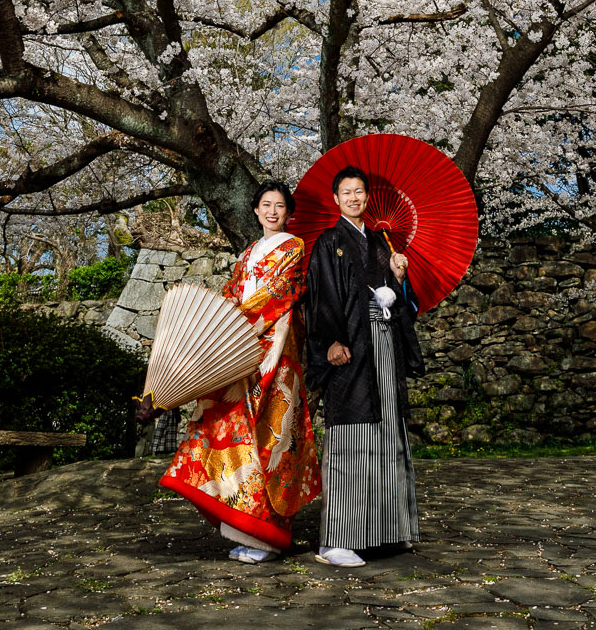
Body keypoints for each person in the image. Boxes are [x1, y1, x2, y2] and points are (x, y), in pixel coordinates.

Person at [154, 181, 321, 562]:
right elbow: (233, 294)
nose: (273, 212)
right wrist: (217, 334)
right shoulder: (247, 253)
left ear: (289, 212)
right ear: (257, 210)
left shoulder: (293, 247)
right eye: (266, 205)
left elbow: (277, 296)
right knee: (227, 423)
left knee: (268, 435)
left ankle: (267, 535)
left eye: (280, 206)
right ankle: (240, 522)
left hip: (273, 347)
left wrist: (239, 329)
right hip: (240, 346)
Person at [302, 165, 422, 568]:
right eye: (346, 193)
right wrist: (332, 341)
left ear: (367, 198)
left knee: (388, 431)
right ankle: (336, 538)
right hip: (351, 348)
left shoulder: (382, 242)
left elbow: (407, 302)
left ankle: (387, 531)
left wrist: (399, 281)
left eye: (359, 192)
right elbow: (319, 299)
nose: (354, 198)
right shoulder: (328, 242)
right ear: (336, 199)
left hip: (384, 345)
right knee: (351, 437)